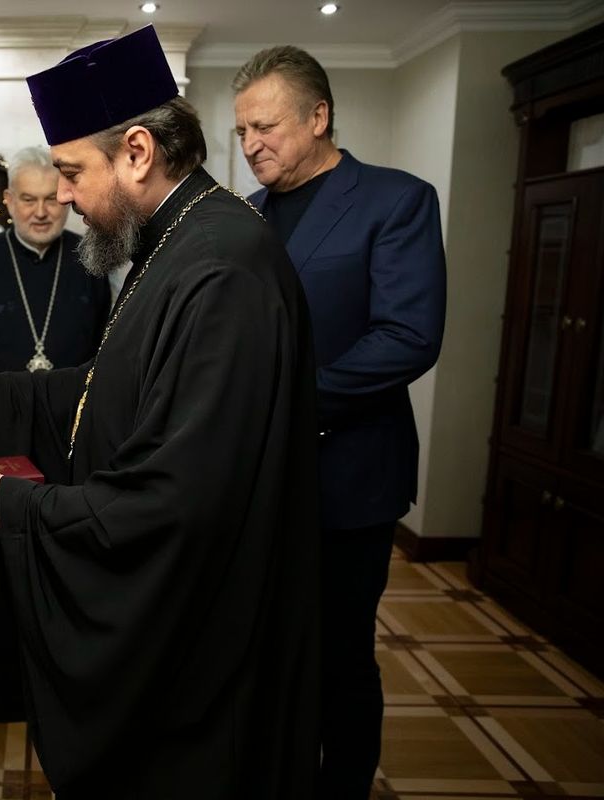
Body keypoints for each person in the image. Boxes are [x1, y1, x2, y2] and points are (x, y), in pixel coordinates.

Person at [0, 25, 319, 798]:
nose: (64, 196)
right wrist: (4, 391)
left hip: (207, 655)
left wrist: (24, 507)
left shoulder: (221, 268)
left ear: (137, 151)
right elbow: (127, 384)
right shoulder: (173, 243)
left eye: (73, 172)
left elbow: (179, 498)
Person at [232, 46, 446, 799]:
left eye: (266, 126)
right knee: (265, 648)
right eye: (242, 132)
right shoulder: (246, 218)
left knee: (338, 656)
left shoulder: (397, 200)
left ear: (318, 117)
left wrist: (289, 402)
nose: (252, 143)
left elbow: (409, 335)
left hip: (346, 480)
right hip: (256, 481)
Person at [0, 146, 111, 722]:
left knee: (58, 573)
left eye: (50, 200)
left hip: (66, 450)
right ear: (8, 200)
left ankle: (57, 689)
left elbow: (106, 359)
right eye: (27, 200)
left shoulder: (90, 259)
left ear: (65, 197)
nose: (41, 213)